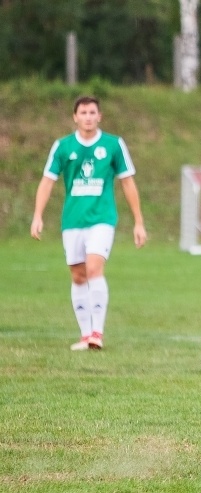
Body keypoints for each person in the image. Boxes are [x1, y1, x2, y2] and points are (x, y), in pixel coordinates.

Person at [31, 95, 147, 351]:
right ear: (75, 117)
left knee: (94, 268)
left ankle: (97, 332)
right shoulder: (62, 147)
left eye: (92, 112)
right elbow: (47, 181)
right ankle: (85, 335)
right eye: (83, 112)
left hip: (102, 219)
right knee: (78, 275)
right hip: (72, 220)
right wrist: (37, 215)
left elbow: (127, 181)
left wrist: (138, 221)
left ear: (99, 116)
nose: (88, 117)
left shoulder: (113, 145)